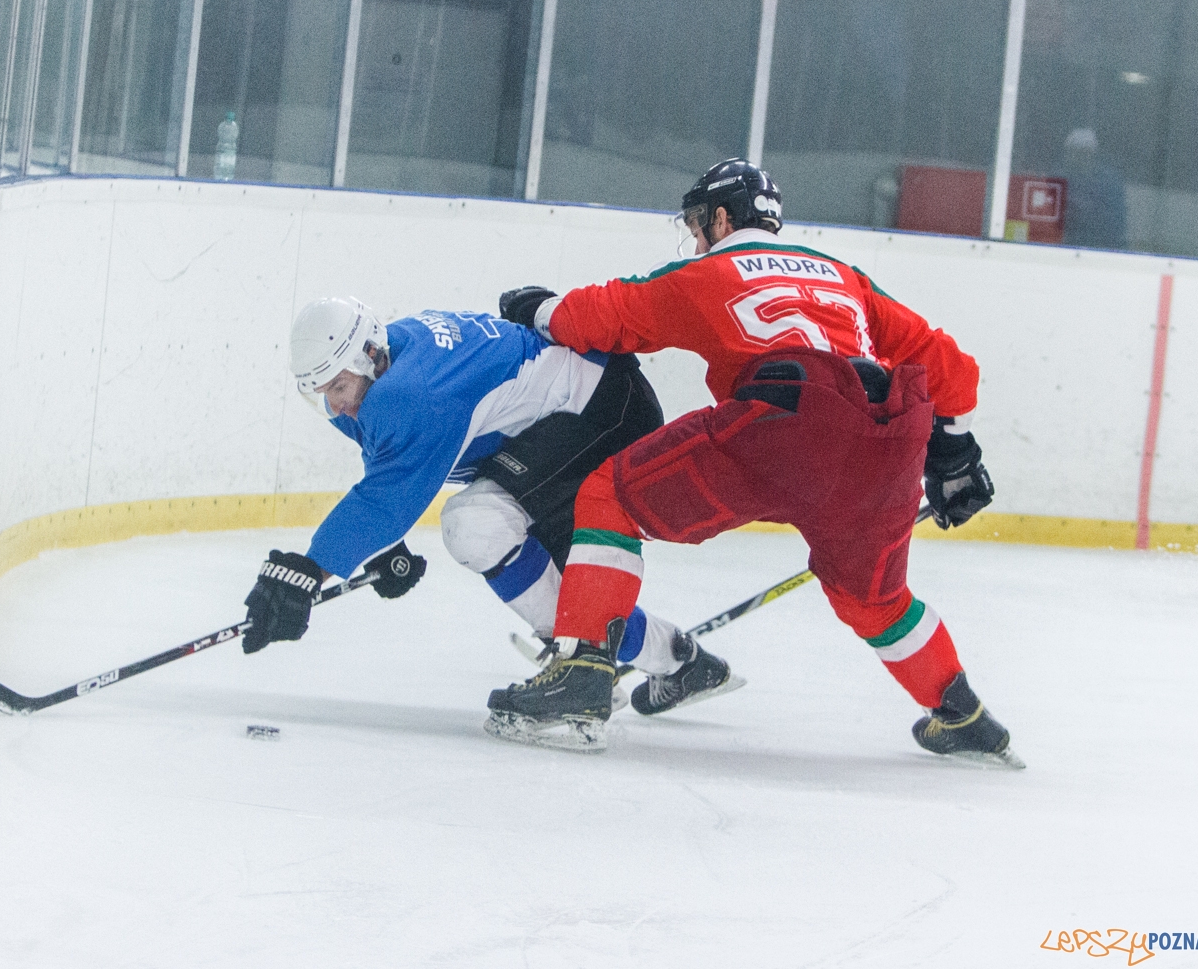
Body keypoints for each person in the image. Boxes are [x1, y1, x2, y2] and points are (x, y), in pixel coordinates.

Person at [487, 159, 1019, 767]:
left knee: (610, 495)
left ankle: (581, 677)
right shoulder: (842, 275)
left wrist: (538, 308)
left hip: (784, 424)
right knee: (875, 600)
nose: (695, 237)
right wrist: (954, 454)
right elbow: (949, 364)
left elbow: (603, 318)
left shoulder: (708, 270)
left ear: (721, 217)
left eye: (696, 222)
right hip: (884, 444)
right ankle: (965, 717)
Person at [238, 296, 743, 721]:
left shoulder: (413, 392)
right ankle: (680, 662)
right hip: (569, 421)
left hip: (600, 414)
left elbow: (387, 498)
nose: (337, 407)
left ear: (371, 356)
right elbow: (391, 468)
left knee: (476, 523)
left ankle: (583, 669)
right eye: (323, 395)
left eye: (339, 389)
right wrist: (383, 546)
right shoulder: (389, 359)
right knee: (566, 590)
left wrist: (309, 571)